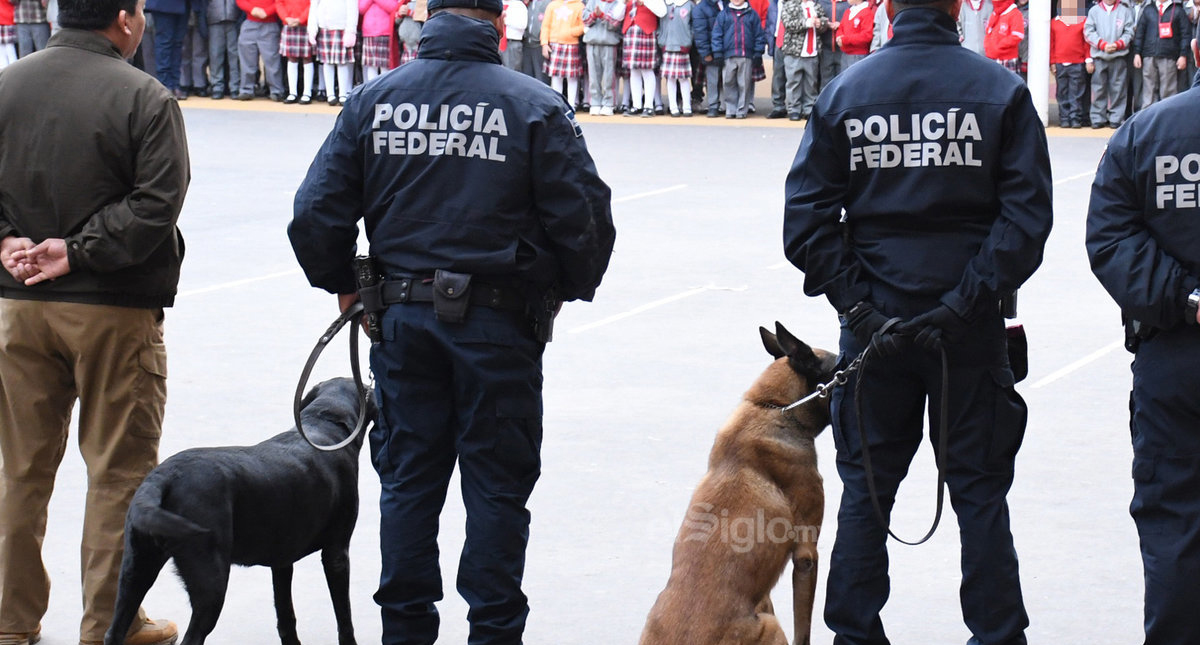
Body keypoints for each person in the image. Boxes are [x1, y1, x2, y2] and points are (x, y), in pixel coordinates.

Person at [287, 0, 615, 641]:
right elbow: (585, 222)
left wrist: (343, 285)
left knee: (408, 481)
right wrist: (563, 289)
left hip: (403, 323)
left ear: (426, 20)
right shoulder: (533, 105)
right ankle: (494, 631)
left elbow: (314, 213)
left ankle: (404, 631)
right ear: (497, 27)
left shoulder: (373, 99)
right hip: (500, 325)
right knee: (497, 486)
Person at [781, 0, 1052, 640]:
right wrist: (964, 303)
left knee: (867, 496)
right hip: (967, 329)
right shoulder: (999, 91)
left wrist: (861, 309)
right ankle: (997, 633)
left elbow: (805, 225)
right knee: (980, 493)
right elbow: (1026, 222)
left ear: (888, 9)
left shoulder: (847, 91)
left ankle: (854, 632)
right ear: (958, 8)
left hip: (876, 330)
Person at [0, 0, 190, 641]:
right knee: (118, 472)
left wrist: (6, 240)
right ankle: (110, 624)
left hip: (17, 306)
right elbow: (156, 204)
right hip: (111, 307)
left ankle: (11, 623)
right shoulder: (145, 96)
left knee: (20, 472)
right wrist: (78, 251)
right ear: (124, 19)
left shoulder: (7, 84)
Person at [1086, 74, 1200, 645]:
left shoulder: (1147, 133)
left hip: (1173, 354)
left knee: (1176, 520)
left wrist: (1186, 298)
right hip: (1173, 346)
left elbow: (1109, 238)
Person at [1085, 0, 1135, 127]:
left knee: (1118, 89)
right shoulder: (1094, 11)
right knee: (1098, 89)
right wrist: (1102, 44)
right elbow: (1088, 31)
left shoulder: (1125, 11)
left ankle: (1116, 118)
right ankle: (1097, 118)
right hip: (1099, 57)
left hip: (1119, 56)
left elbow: (1129, 31)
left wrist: (1118, 44)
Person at [1132, 0, 1190, 107]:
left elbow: (1185, 35)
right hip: (1149, 55)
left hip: (1169, 55)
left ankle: (1167, 118)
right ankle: (1148, 118)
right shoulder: (1148, 10)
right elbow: (1140, 33)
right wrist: (1137, 53)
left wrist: (1183, 55)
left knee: (1168, 91)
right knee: (1148, 91)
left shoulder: (1178, 10)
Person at [712, 0, 764, 118]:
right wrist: (718, 52)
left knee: (744, 83)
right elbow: (717, 35)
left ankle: (742, 110)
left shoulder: (752, 14)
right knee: (728, 82)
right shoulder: (724, 14)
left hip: (746, 55)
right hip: (728, 55)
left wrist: (758, 52)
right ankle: (730, 108)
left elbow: (759, 35)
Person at [235, 0, 286, 99]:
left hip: (270, 24)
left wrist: (267, 12)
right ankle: (246, 90)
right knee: (247, 61)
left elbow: (280, 2)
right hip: (249, 22)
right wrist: (252, 9)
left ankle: (276, 90)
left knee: (272, 61)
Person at [307, 0, 356, 104]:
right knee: (327, 62)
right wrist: (312, 28)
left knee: (342, 63)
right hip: (325, 27)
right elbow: (314, 7)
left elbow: (352, 9)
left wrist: (351, 30)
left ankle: (342, 94)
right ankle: (330, 94)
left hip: (342, 28)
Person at [581, 0, 624, 113]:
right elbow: (585, 20)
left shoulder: (616, 3)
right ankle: (595, 102)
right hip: (592, 42)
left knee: (609, 76)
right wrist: (594, 15)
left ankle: (609, 103)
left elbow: (615, 24)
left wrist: (602, 16)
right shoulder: (592, 2)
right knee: (593, 75)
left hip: (609, 42)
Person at [1051, 0, 1088, 127]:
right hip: (1060, 63)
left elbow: (1086, 43)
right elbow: (1051, 44)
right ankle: (1064, 118)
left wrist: (1088, 59)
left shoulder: (1082, 21)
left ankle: (1075, 118)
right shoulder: (1054, 23)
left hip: (1077, 62)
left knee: (1076, 92)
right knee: (1061, 92)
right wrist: (1052, 62)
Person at [541, 0, 585, 107]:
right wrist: (544, 43)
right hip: (554, 44)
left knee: (572, 77)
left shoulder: (579, 6)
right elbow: (545, 26)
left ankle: (571, 105)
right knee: (556, 77)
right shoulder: (552, 5)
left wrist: (571, 32)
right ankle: (557, 105)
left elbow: (583, 26)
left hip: (572, 44)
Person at [620, 0, 659, 115]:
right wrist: (622, 3)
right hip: (630, 35)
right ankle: (637, 105)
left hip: (646, 34)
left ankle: (649, 106)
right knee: (634, 71)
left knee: (647, 71)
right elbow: (618, 16)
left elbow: (661, 12)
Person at [146, 0, 189, 98]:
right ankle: (165, 85)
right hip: (164, 4)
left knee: (177, 44)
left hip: (183, 4)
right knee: (165, 43)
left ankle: (175, 84)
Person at [658, 0, 692, 116]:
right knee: (670, 78)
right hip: (667, 45)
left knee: (683, 78)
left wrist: (689, 38)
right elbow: (658, 22)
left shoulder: (689, 4)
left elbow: (693, 24)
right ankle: (673, 106)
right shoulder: (664, 4)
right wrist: (661, 36)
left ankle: (687, 106)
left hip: (682, 45)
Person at [277, 0, 314, 102]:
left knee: (307, 58)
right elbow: (279, 3)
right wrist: (286, 18)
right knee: (291, 58)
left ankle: (307, 93)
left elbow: (312, 4)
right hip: (288, 23)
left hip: (306, 24)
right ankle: (292, 92)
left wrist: (300, 19)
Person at [692, 0, 723, 115]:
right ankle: (713, 106)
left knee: (729, 80)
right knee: (712, 80)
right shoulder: (700, 8)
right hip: (710, 50)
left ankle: (728, 106)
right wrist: (705, 52)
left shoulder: (727, 3)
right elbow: (700, 33)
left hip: (728, 48)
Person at [205, 0, 238, 98]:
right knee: (215, 55)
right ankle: (217, 87)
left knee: (234, 56)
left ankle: (235, 87)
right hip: (214, 19)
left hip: (234, 19)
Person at [360, 0, 398, 81]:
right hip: (369, 31)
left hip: (385, 31)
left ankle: (384, 90)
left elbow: (394, 7)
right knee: (371, 65)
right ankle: (371, 90)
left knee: (385, 66)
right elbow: (361, 8)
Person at [984, 0, 1023, 73]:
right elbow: (988, 32)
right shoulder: (995, 13)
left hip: (1007, 59)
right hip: (992, 58)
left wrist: (999, 46)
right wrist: (988, 46)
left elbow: (1018, 35)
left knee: (1009, 84)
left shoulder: (1015, 14)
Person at [834, 0, 873, 69]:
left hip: (858, 54)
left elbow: (866, 35)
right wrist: (839, 38)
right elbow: (841, 27)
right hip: (845, 53)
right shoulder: (848, 11)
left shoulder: (867, 12)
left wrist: (845, 40)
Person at [503, 0, 528, 70]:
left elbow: (523, 25)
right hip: (499, 42)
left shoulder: (519, 5)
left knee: (512, 71)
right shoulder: (499, 3)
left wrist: (506, 21)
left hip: (513, 43)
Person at [0, 0, 17, 66]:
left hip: (7, 19)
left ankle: (12, 68)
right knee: (4, 48)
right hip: (7, 19)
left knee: (9, 47)